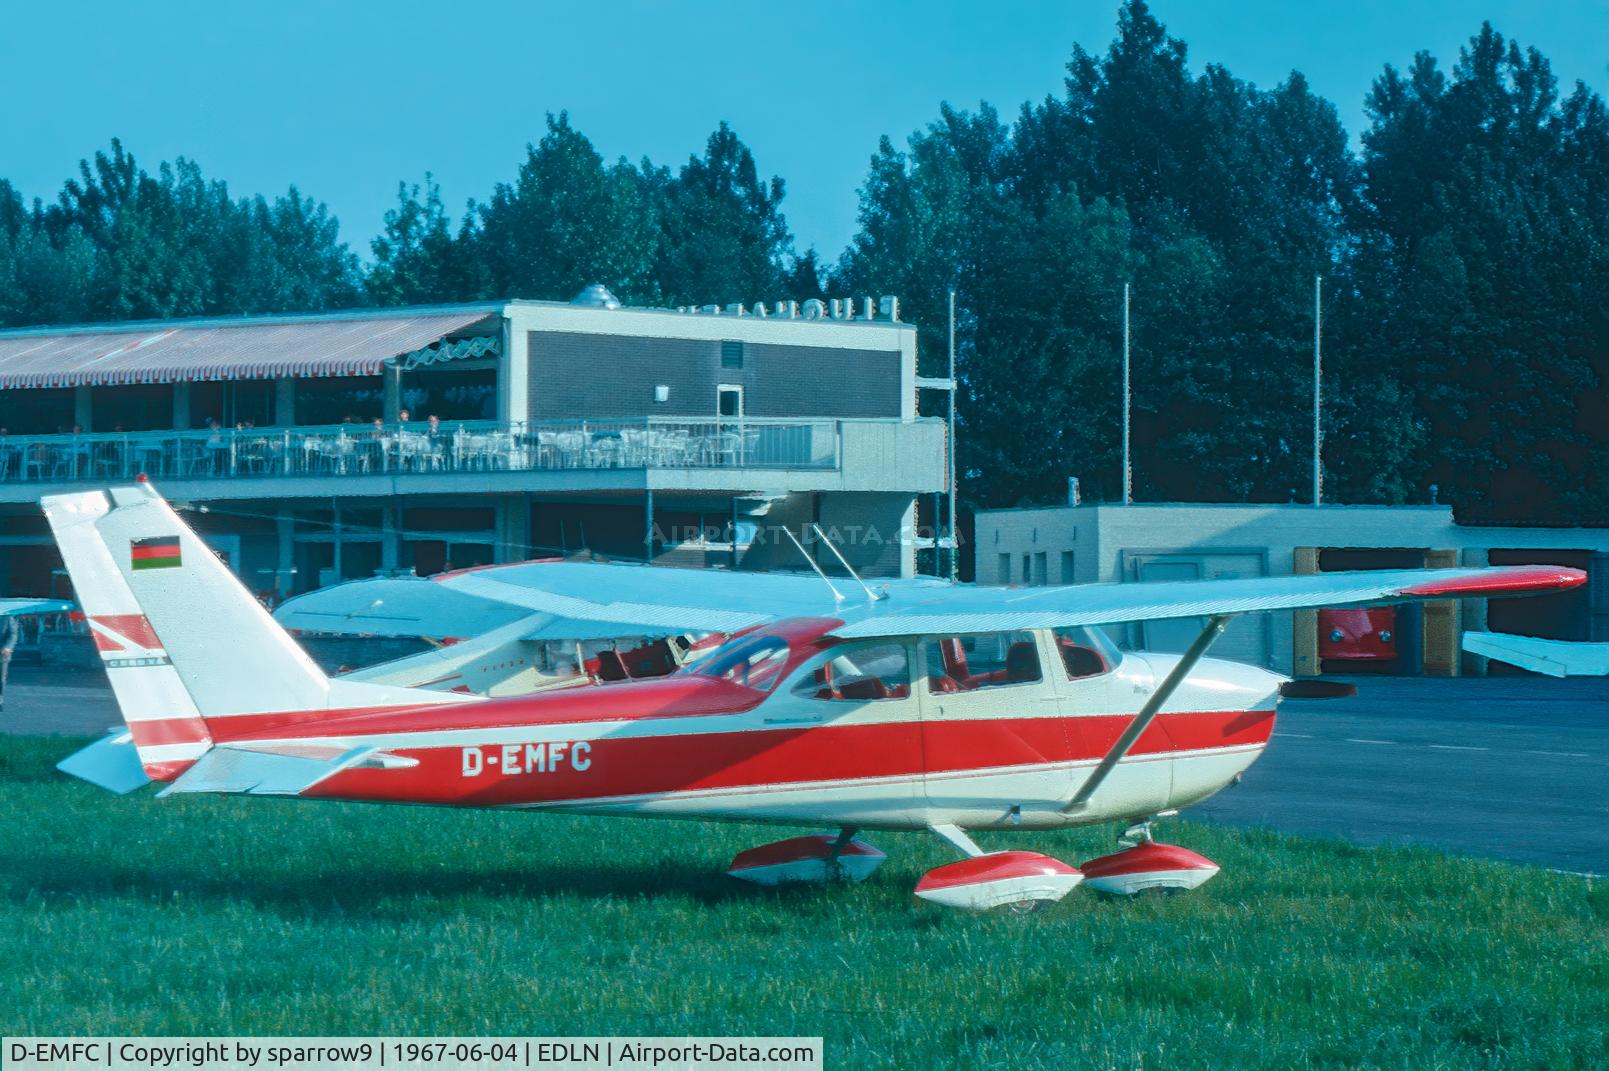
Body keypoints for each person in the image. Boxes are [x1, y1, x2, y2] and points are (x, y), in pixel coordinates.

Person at [0, 613, 16, 712]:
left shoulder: (7, 617)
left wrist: (8, 647)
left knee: (1, 680)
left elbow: (13, 634)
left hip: (1, 654)